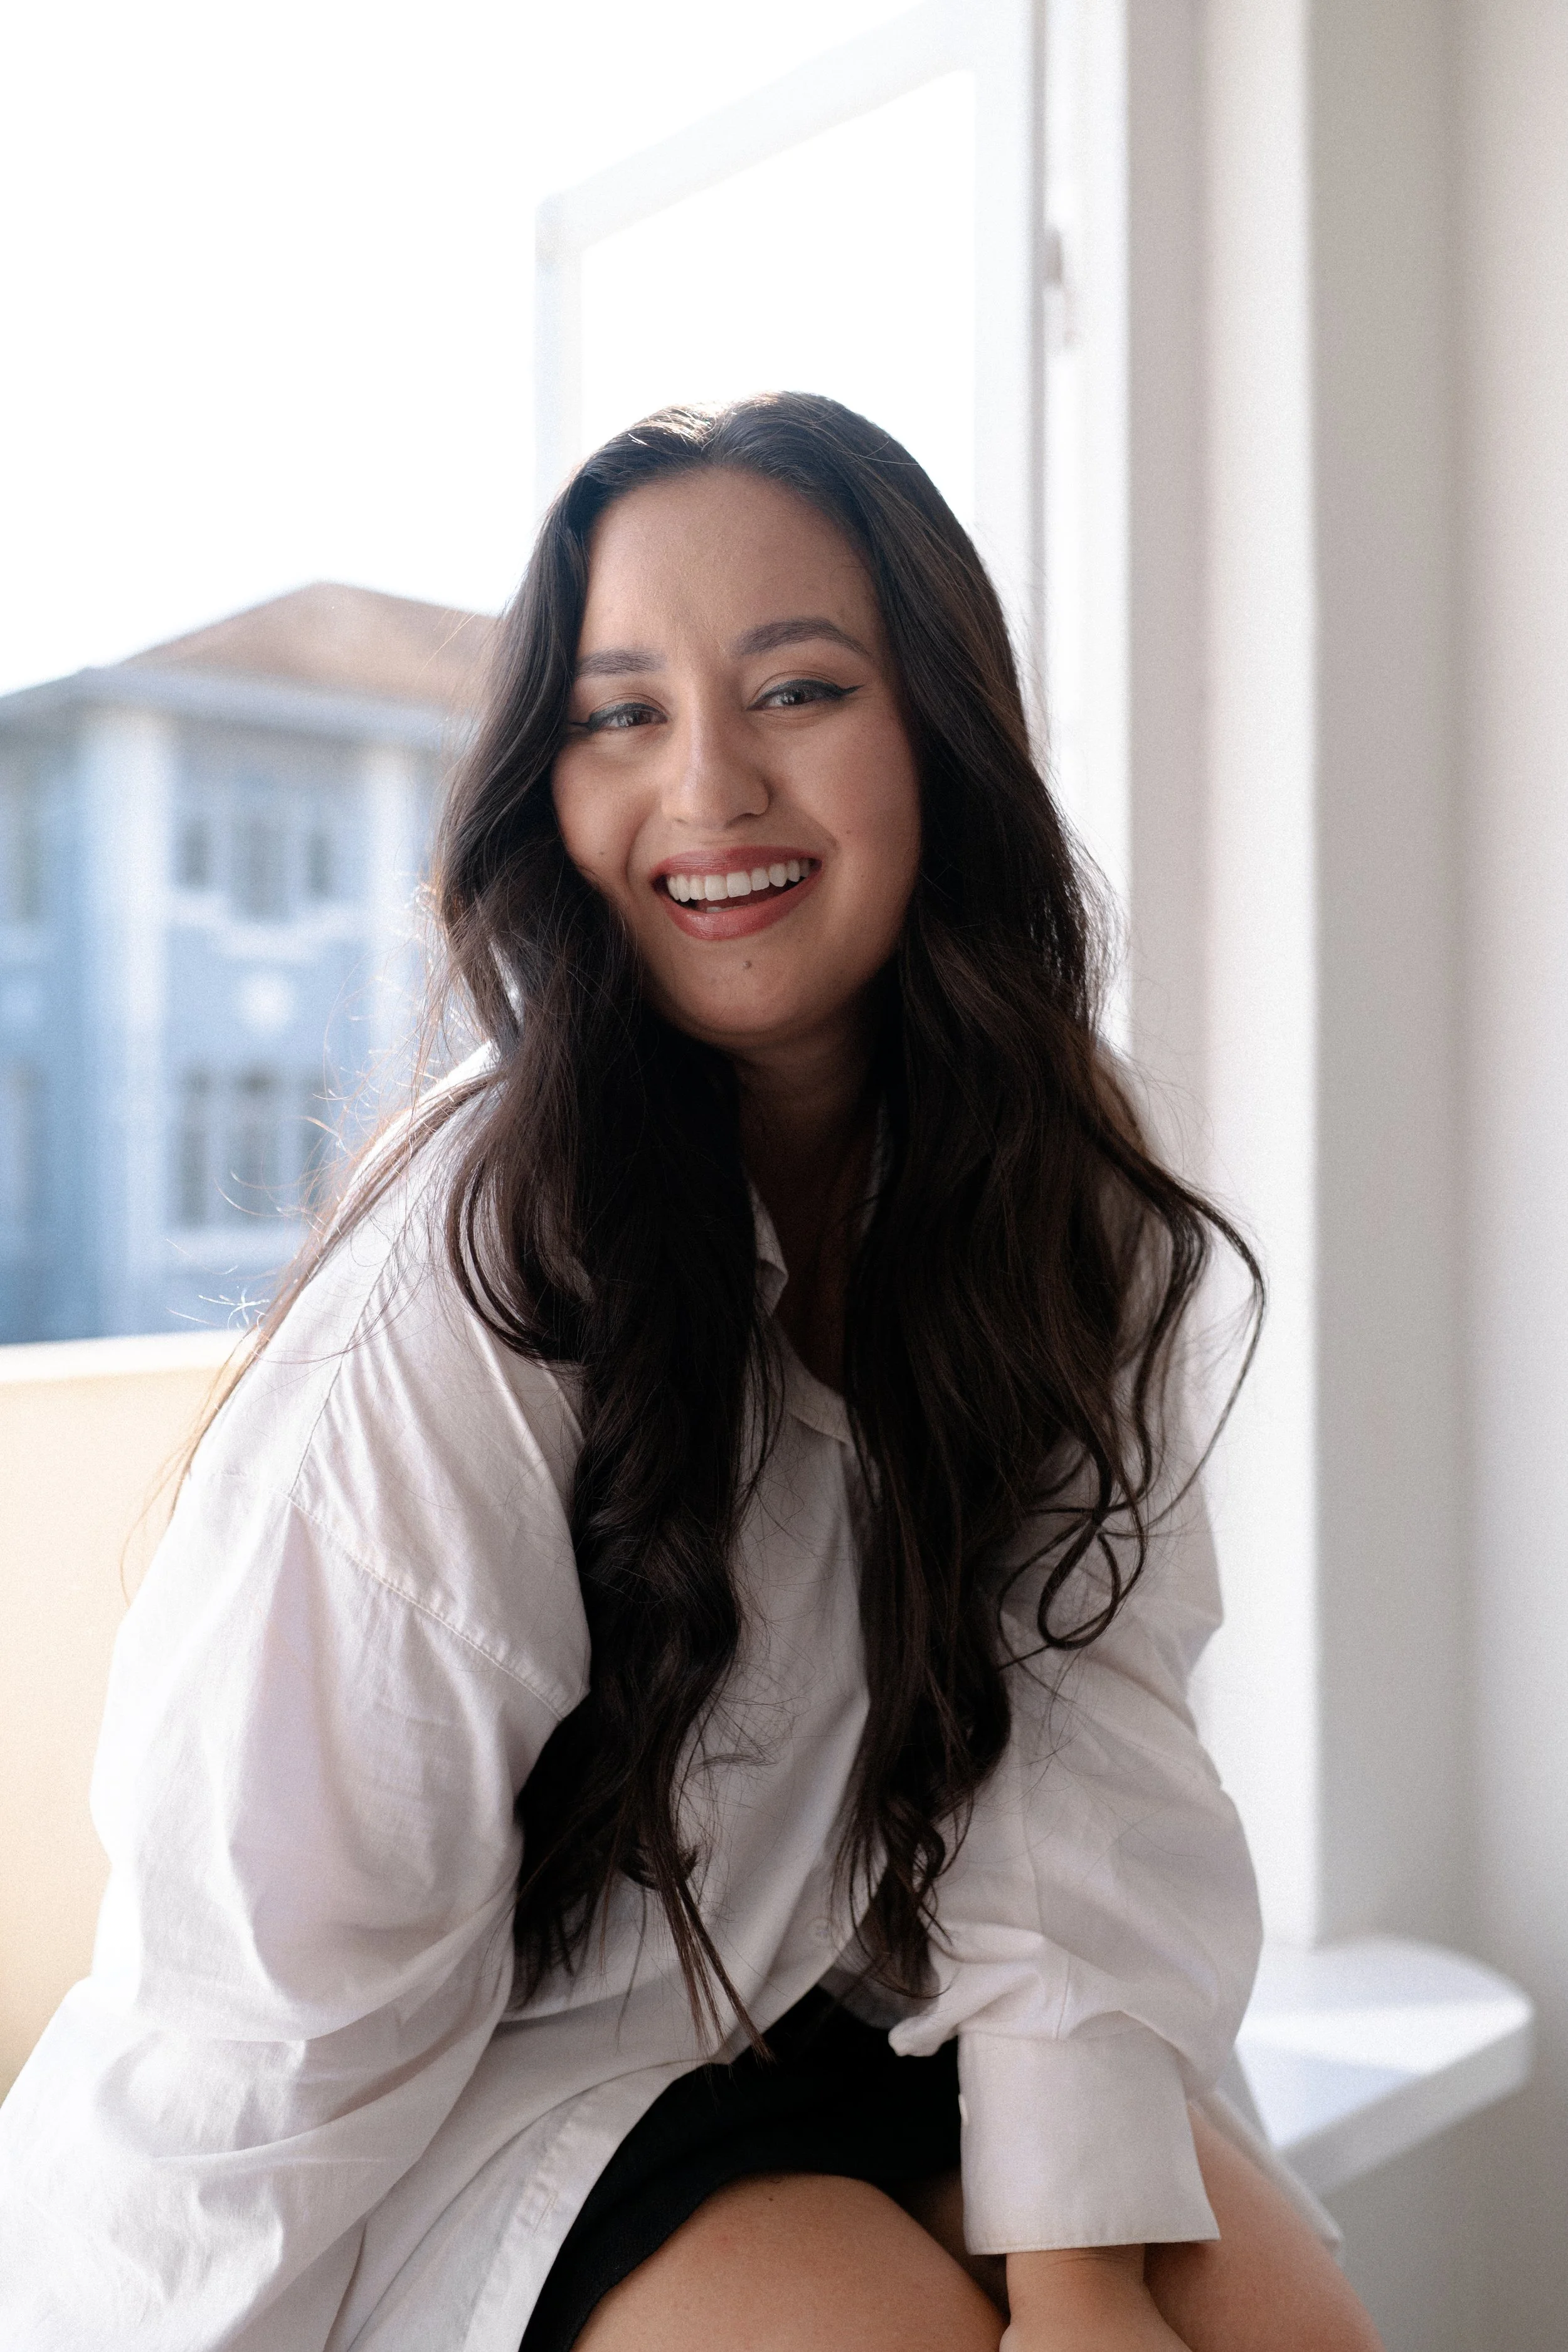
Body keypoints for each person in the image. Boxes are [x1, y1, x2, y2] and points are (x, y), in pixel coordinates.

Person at [0, 395, 1381, 2350]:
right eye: (620, 715)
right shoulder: (484, 1264)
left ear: (939, 732)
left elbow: (1075, 1766)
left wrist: (1079, 2281)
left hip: (877, 1997)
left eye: (798, 688)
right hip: (502, 2085)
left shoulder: (1063, 1195)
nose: (709, 784)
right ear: (547, 792)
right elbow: (268, 1996)